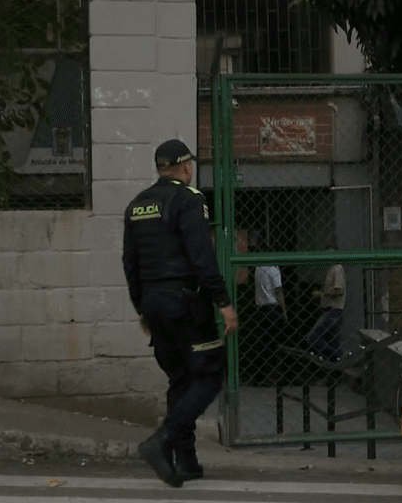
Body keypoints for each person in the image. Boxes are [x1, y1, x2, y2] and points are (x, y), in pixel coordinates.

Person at [122, 139, 238, 488]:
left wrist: (142, 308)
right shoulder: (189, 200)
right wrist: (224, 302)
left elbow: (130, 264)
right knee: (209, 375)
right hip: (186, 304)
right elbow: (202, 257)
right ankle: (162, 441)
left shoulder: (137, 205)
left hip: (154, 305)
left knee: (181, 380)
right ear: (186, 167)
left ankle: (186, 462)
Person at [305, 248, 346, 362]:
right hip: (331, 310)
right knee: (332, 341)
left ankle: (341, 356)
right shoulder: (331, 269)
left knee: (312, 337)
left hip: (333, 311)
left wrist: (321, 294)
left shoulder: (336, 269)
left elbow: (339, 291)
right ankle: (337, 363)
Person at [253, 258, 286, 383]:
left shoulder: (258, 268)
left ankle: (261, 376)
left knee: (265, 343)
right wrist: (284, 313)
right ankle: (276, 375)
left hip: (262, 309)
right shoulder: (274, 269)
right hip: (273, 309)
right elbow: (279, 292)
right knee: (275, 344)